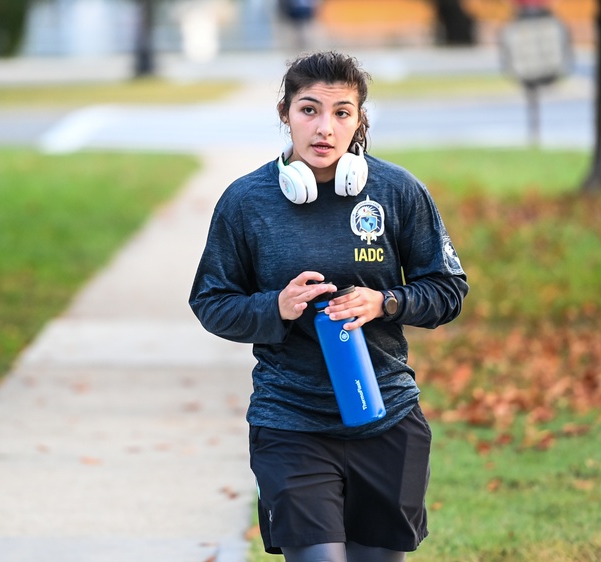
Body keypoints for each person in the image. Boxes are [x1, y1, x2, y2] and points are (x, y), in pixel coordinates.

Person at [189, 51, 468, 562]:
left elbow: (448, 289)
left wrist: (385, 302)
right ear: (284, 113)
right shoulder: (246, 202)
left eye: (342, 112)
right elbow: (211, 301)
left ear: (360, 120)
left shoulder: (397, 192)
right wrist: (278, 305)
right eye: (309, 109)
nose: (325, 127)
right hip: (290, 422)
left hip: (385, 417)